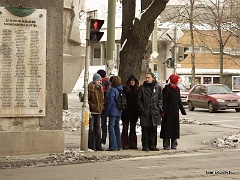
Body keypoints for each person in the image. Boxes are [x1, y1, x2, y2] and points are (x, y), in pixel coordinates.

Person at [137, 72, 163, 151]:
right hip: (146, 111)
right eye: (146, 78)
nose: (147, 79)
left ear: (153, 78)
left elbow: (160, 98)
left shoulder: (157, 87)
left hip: (155, 111)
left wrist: (159, 108)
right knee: (145, 129)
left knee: (153, 129)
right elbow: (139, 99)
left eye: (149, 77)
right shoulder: (142, 87)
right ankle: (145, 145)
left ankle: (152, 145)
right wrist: (142, 108)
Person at [160, 74, 187, 150]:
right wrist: (163, 111)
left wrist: (182, 110)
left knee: (174, 128)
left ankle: (174, 143)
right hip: (168, 112)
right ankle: (166, 144)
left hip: (175, 112)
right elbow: (164, 101)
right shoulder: (167, 89)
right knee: (167, 128)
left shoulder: (177, 89)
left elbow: (179, 101)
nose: (178, 81)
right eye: (177, 80)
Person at [121, 75, 139, 150]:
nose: (132, 82)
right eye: (131, 80)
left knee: (133, 128)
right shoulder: (125, 89)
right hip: (126, 111)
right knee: (125, 128)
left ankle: (133, 144)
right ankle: (125, 144)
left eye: (134, 81)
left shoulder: (137, 90)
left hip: (134, 112)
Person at [105, 76, 122, 151]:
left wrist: (106, 111)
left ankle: (113, 145)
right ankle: (118, 144)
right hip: (118, 110)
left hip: (112, 111)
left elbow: (110, 102)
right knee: (117, 127)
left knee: (111, 127)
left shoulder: (112, 90)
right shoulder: (120, 89)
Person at [88, 73, 104, 151]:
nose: (99, 82)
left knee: (98, 128)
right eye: (97, 80)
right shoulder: (91, 87)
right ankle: (92, 145)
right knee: (91, 128)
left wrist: (101, 106)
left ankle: (98, 145)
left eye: (99, 80)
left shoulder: (100, 88)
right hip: (92, 111)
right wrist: (92, 106)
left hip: (98, 110)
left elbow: (101, 99)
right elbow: (88, 99)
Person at [97, 69, 110, 145]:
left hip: (103, 106)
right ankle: (102, 139)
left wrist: (103, 103)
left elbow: (107, 95)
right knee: (103, 123)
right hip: (102, 105)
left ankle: (103, 139)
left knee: (102, 123)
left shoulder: (105, 83)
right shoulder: (106, 83)